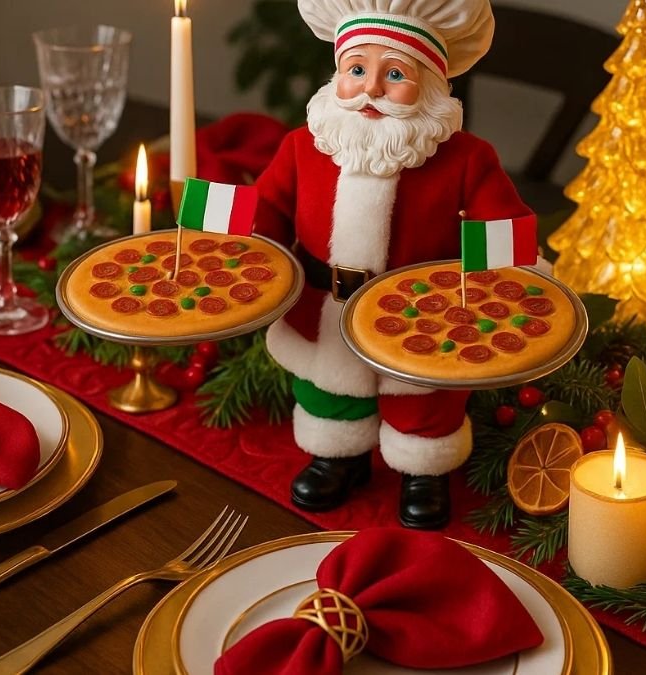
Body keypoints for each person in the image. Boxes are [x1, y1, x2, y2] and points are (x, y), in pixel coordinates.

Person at [254, 0, 533, 529]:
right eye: (356, 69)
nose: (372, 88)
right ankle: (338, 457)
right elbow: (265, 209)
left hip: (422, 317)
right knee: (328, 389)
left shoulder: (466, 158)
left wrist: (512, 282)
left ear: (431, 86)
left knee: (424, 403)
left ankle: (423, 471)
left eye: (396, 73)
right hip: (324, 308)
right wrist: (242, 246)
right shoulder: (301, 148)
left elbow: (503, 228)